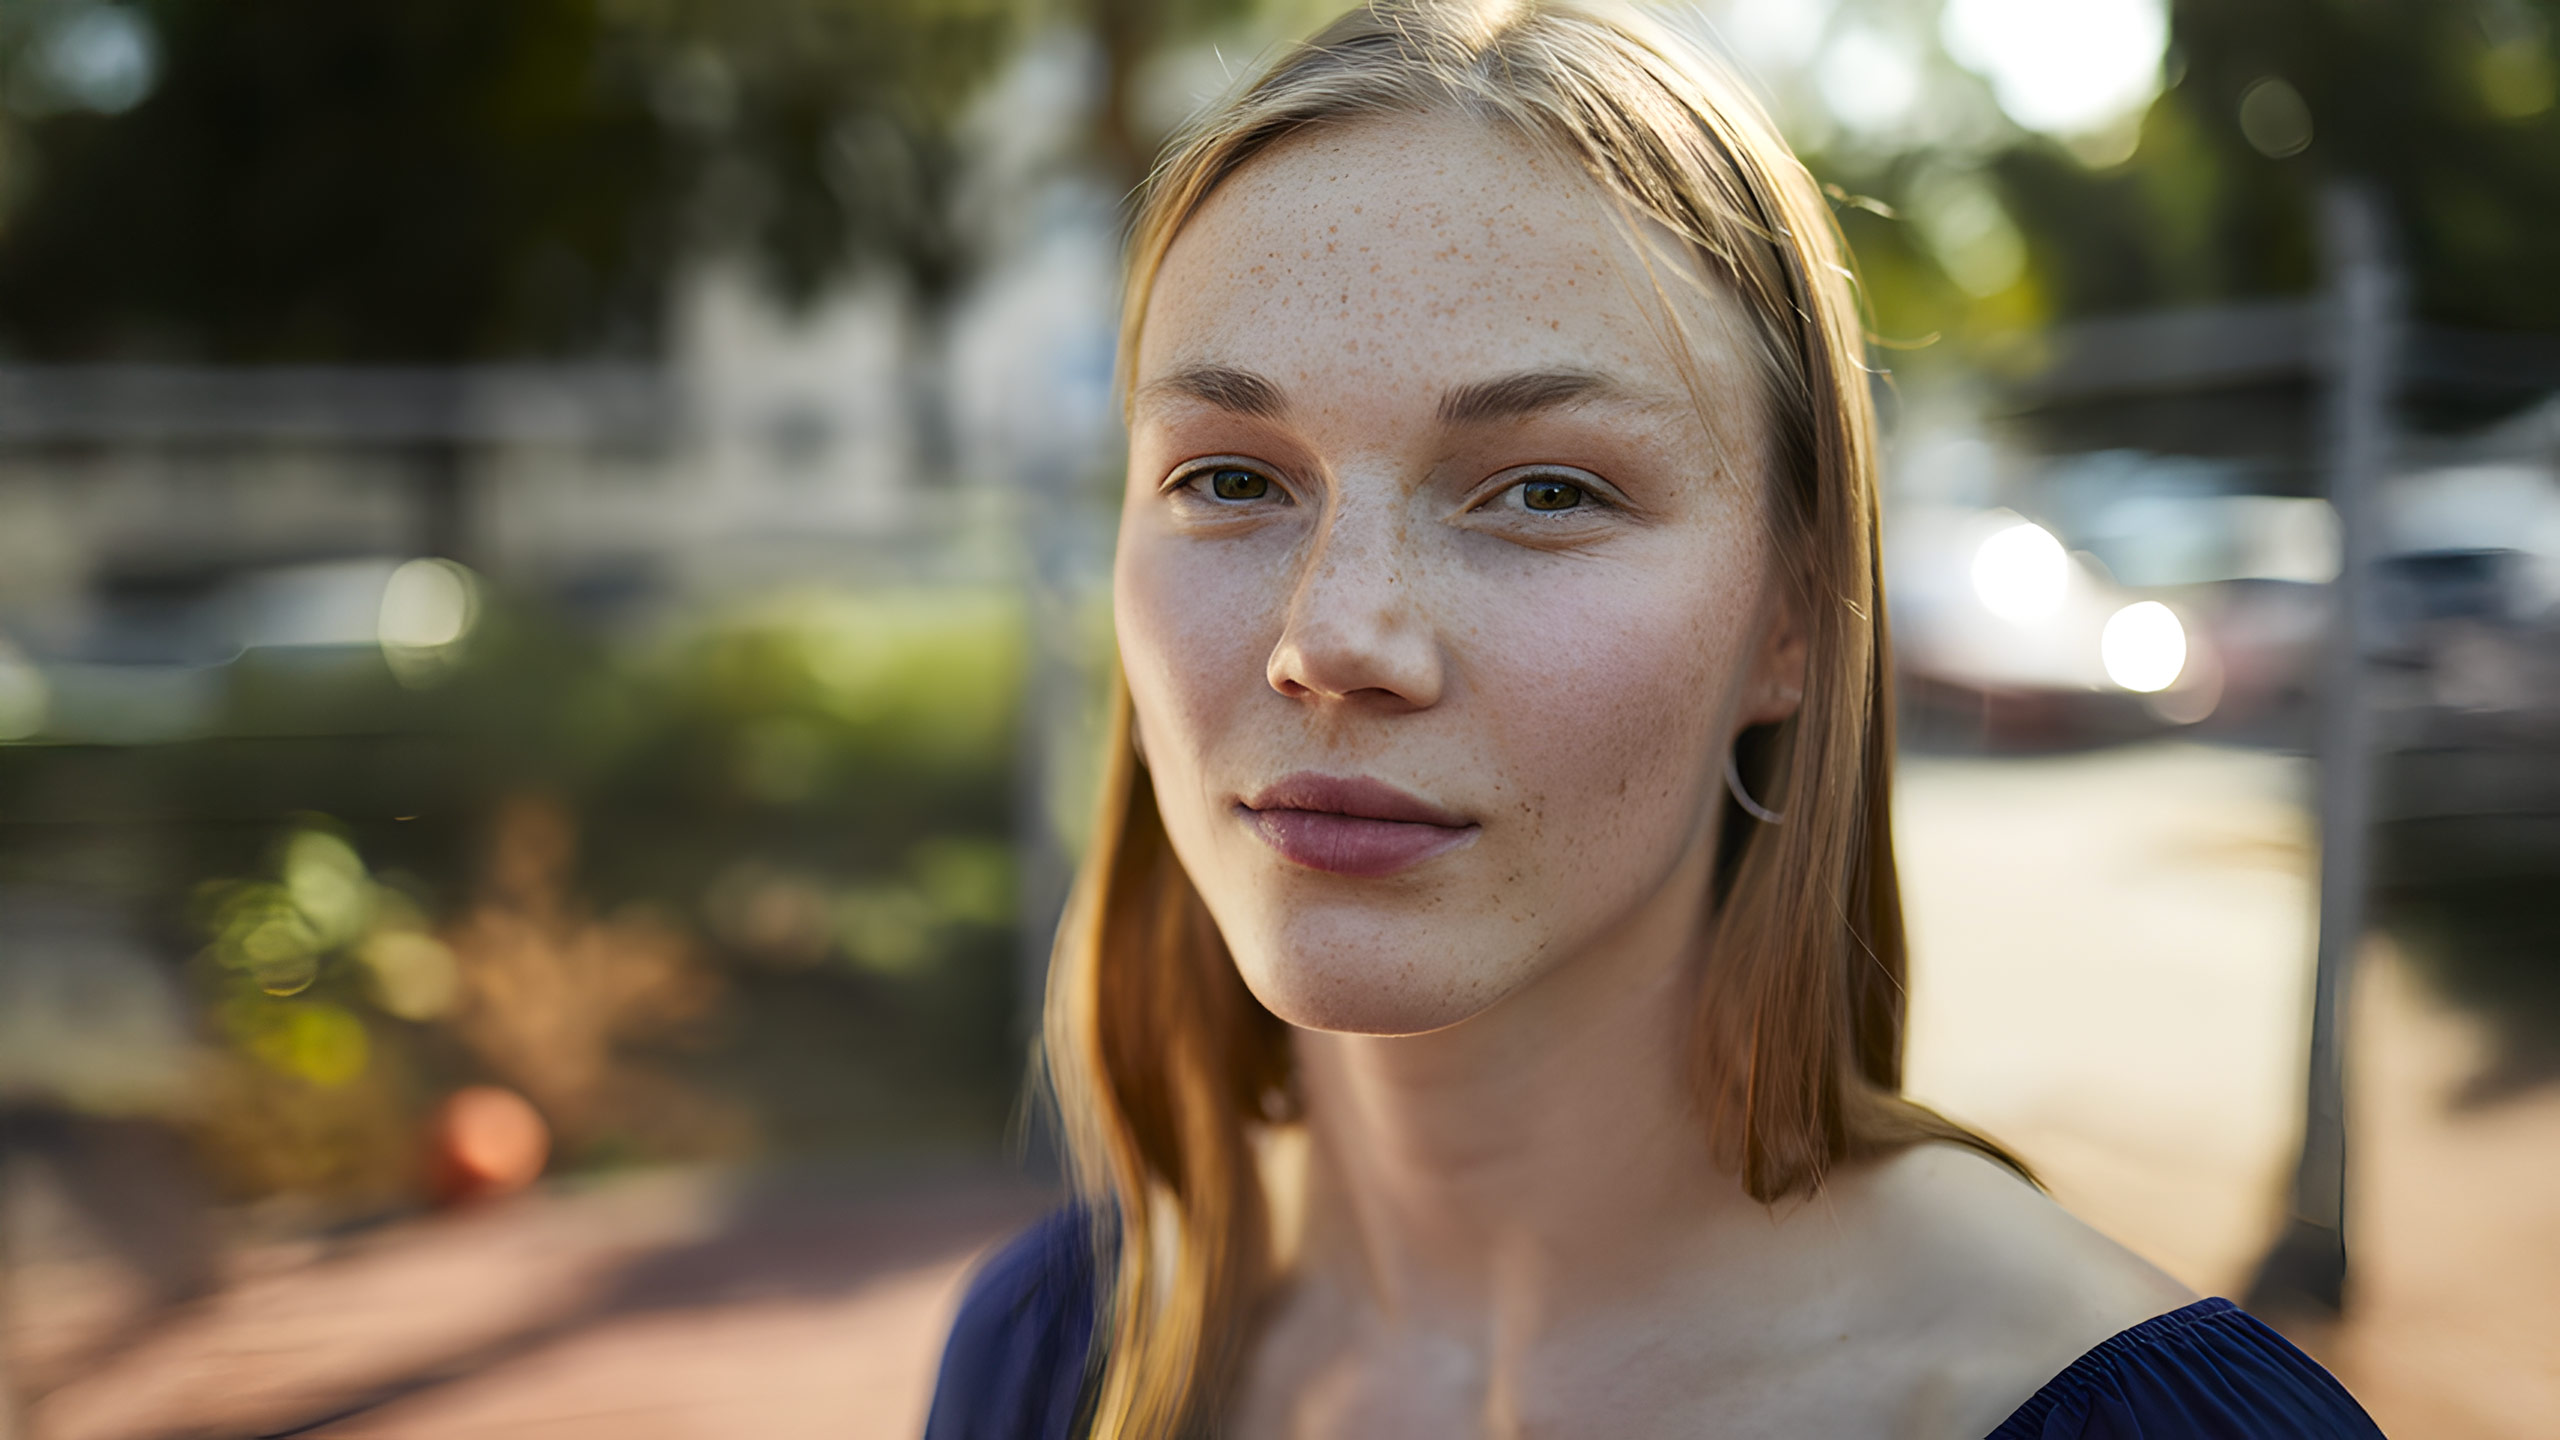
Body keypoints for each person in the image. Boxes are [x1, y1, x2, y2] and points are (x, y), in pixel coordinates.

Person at [926, 2, 2387, 1434]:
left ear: (1793, 622)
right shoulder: (1054, 1357)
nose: (1331, 640)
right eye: (1231, 478)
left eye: (1548, 491)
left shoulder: (2130, 1416)